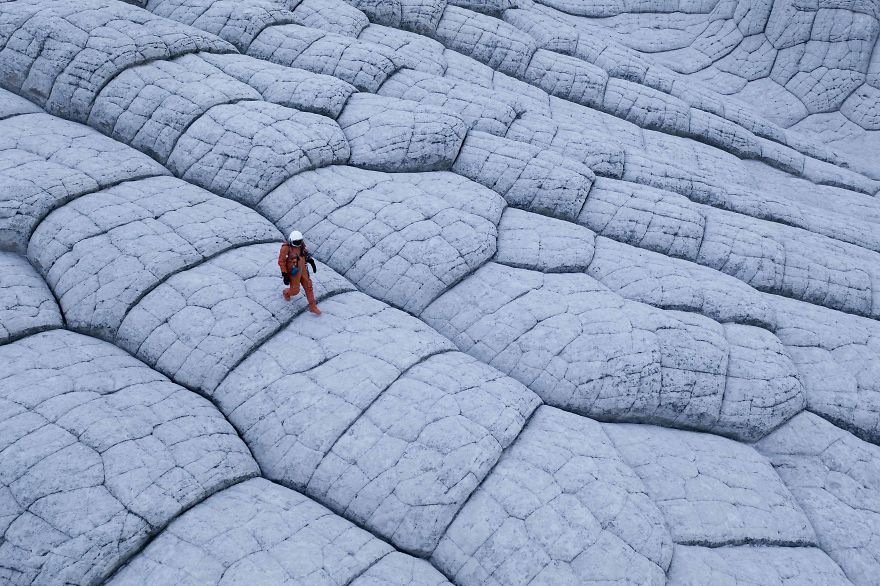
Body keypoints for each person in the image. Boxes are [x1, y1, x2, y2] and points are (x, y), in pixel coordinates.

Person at [278, 230, 321, 315]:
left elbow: (305, 253)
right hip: (293, 271)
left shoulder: (301, 245)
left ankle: (313, 307)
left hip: (303, 269)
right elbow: (281, 261)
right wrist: (284, 274)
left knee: (309, 286)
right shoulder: (286, 248)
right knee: (295, 291)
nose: (298, 244)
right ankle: (286, 292)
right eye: (296, 242)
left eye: (299, 242)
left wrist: (310, 260)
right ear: (291, 241)